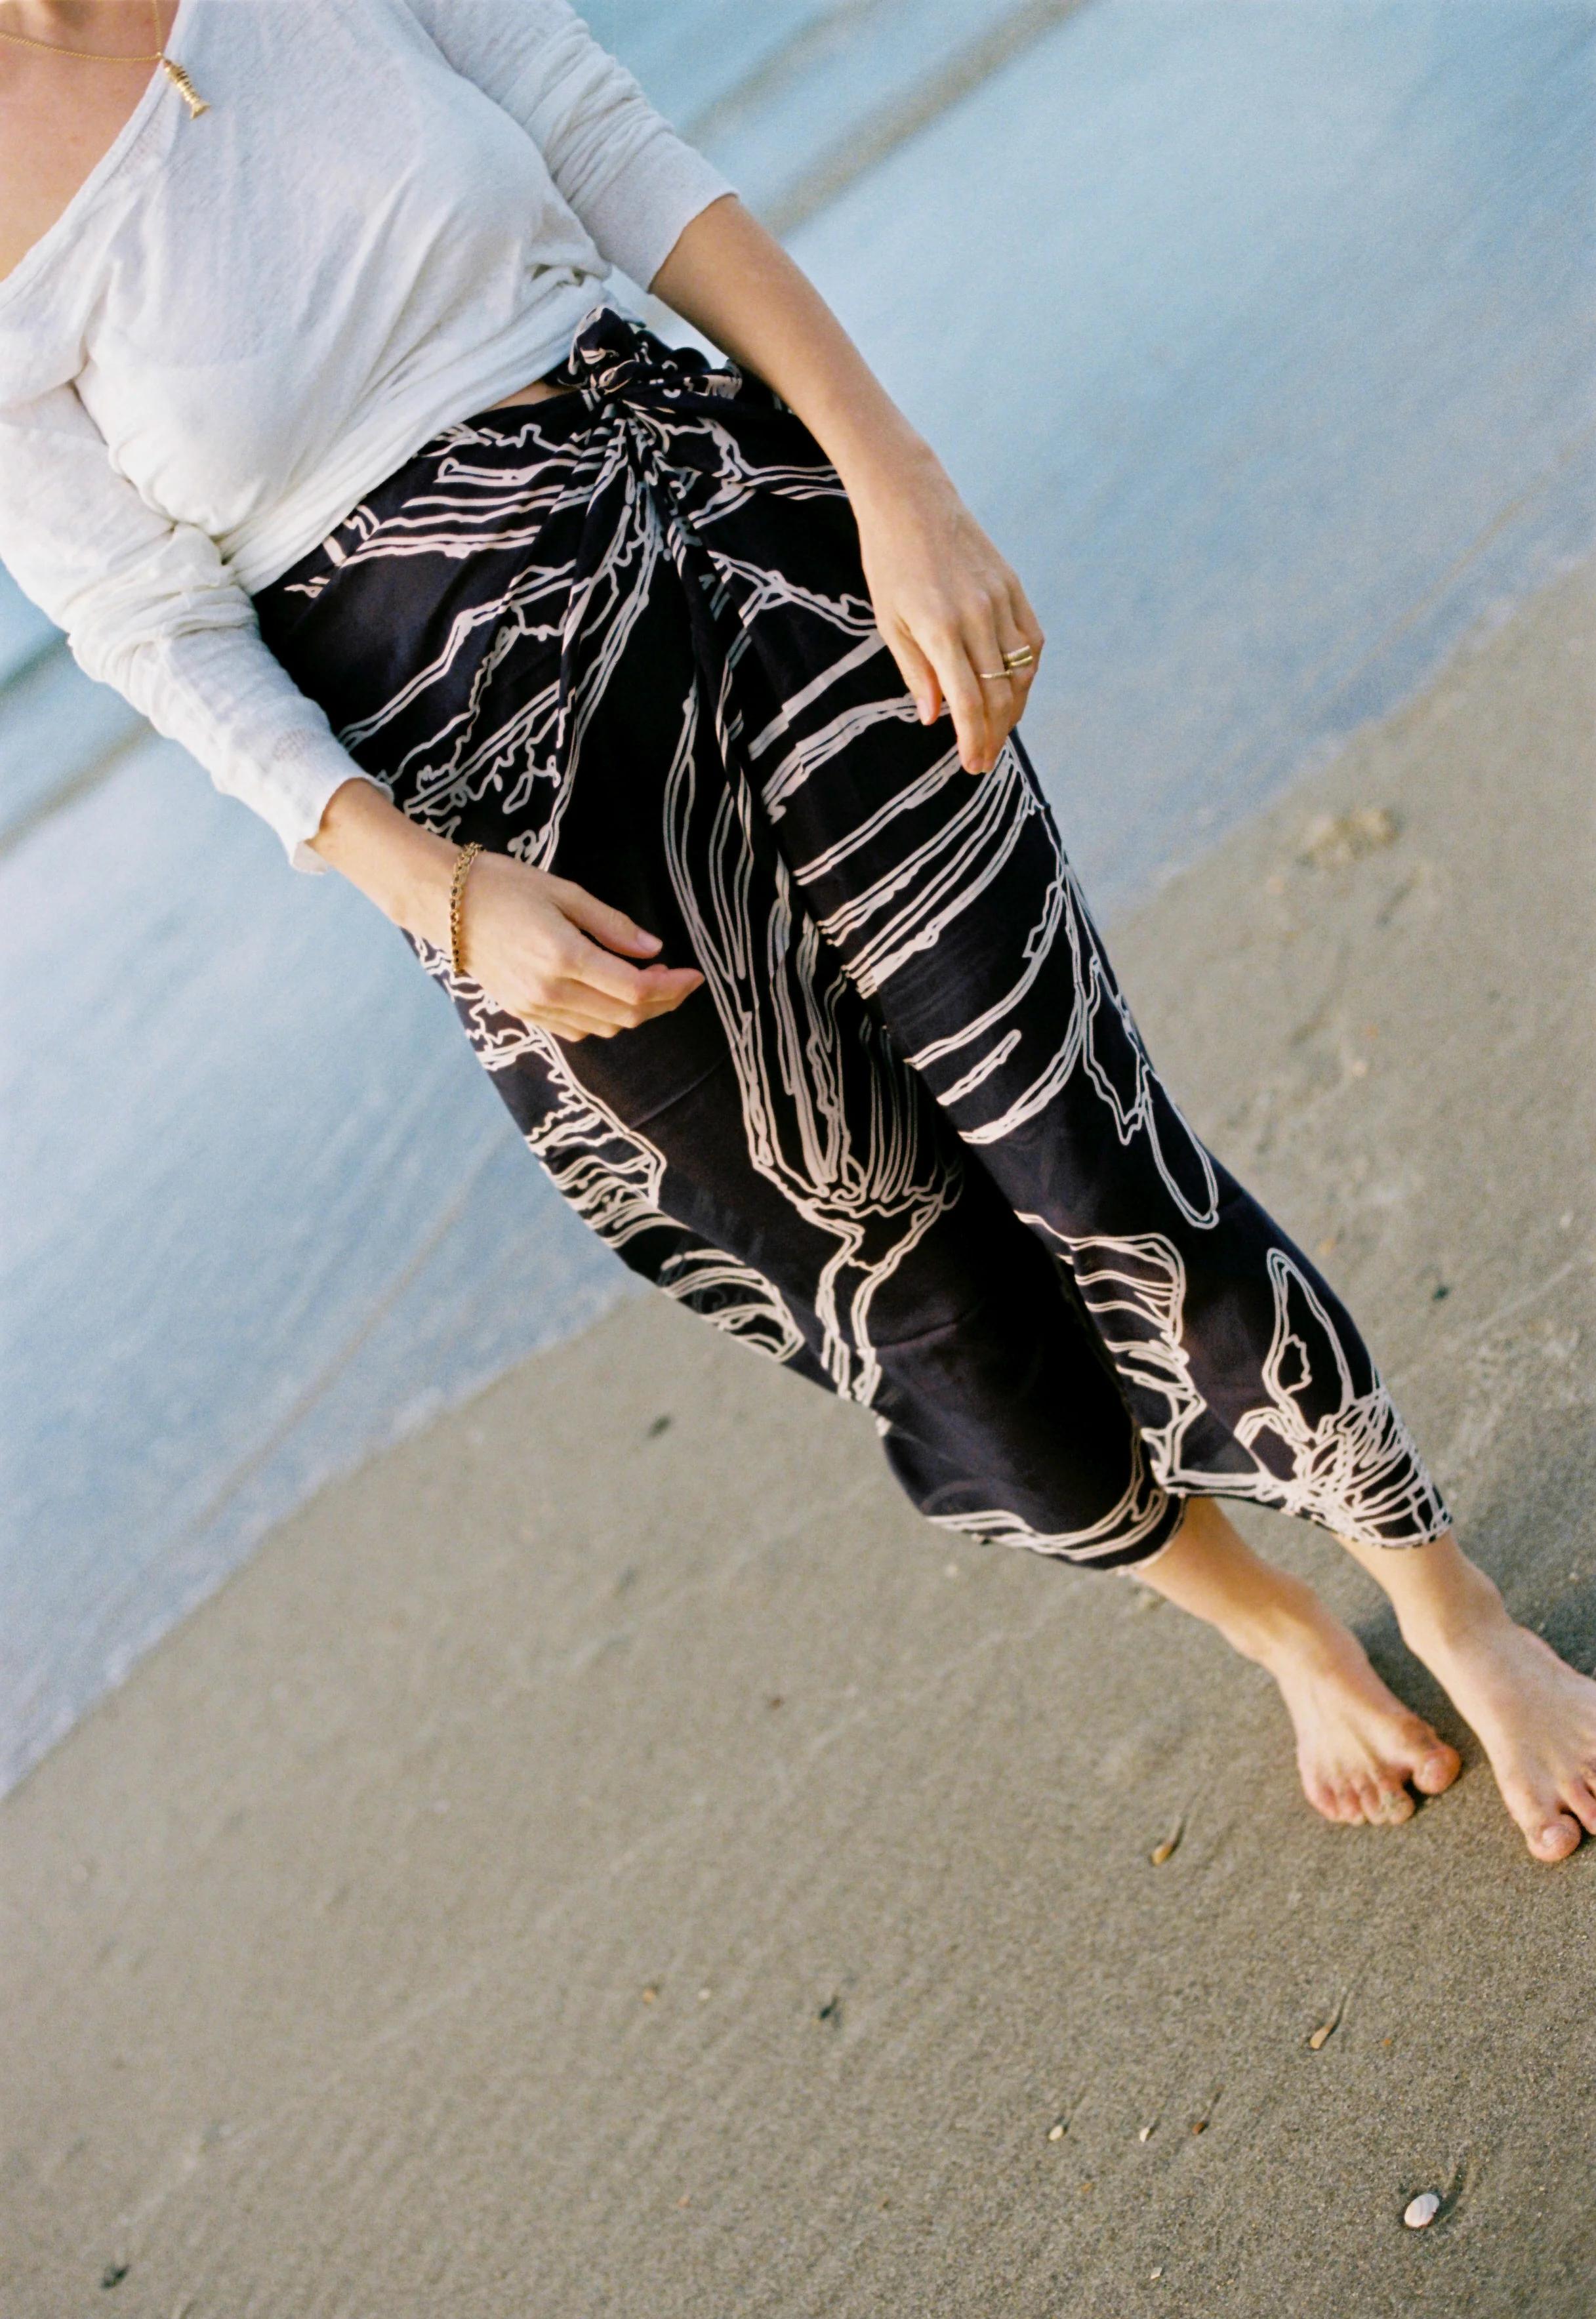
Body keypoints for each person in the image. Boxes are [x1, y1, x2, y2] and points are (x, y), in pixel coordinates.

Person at [2, 0, 1592, 1864]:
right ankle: (1270, 1624)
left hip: (759, 558)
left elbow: (616, 153)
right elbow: (151, 627)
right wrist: (426, 889)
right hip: (490, 811)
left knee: (1080, 1135)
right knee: (880, 1275)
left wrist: (896, 485)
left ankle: (1447, 1605)